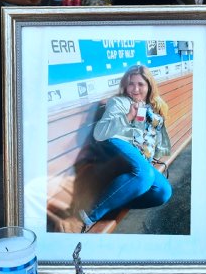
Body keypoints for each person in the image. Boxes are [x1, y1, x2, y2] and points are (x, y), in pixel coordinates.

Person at [58, 65, 173, 233]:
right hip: (113, 147)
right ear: (125, 86)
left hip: (134, 154)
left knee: (163, 192)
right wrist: (127, 116)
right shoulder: (118, 102)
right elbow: (100, 133)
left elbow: (150, 135)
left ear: (149, 86)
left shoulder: (152, 107)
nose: (135, 89)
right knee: (144, 175)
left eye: (140, 84)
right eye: (130, 84)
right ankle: (82, 217)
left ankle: (111, 198)